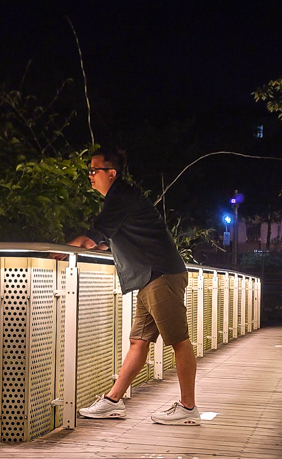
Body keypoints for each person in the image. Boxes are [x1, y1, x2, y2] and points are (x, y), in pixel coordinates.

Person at [59, 147, 201, 425]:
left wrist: (63, 250)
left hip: (160, 275)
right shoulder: (121, 197)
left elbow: (93, 237)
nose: (90, 176)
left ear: (111, 173)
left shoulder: (121, 195)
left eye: (93, 170)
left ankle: (188, 408)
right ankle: (113, 401)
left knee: (178, 341)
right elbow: (103, 240)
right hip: (148, 278)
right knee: (139, 340)